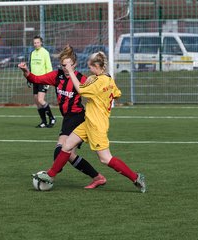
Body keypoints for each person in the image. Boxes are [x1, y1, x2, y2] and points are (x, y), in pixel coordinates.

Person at [33, 51, 147, 193]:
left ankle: (136, 177)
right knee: (67, 146)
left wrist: (71, 72)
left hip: (97, 125)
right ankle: (50, 175)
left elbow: (80, 90)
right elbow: (117, 94)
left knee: (105, 159)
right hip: (88, 121)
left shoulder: (98, 82)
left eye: (91, 67)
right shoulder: (107, 79)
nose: (89, 70)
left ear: (98, 66)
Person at [19, 45, 106, 189]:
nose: (65, 68)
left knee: (61, 149)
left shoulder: (81, 79)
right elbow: (36, 79)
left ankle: (51, 174)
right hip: (67, 118)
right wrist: (26, 72)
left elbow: (96, 93)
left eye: (68, 65)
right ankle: (98, 177)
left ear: (75, 64)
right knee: (70, 155)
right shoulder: (57, 76)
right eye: (63, 65)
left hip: (78, 117)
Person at [29, 35, 56, 128]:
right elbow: (31, 67)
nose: (36, 44)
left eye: (37, 42)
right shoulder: (32, 53)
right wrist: (29, 79)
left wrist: (49, 80)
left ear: (41, 43)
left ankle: (52, 118)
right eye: (34, 43)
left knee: (41, 100)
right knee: (37, 102)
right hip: (35, 80)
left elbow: (49, 67)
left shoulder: (45, 53)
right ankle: (43, 122)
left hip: (43, 80)